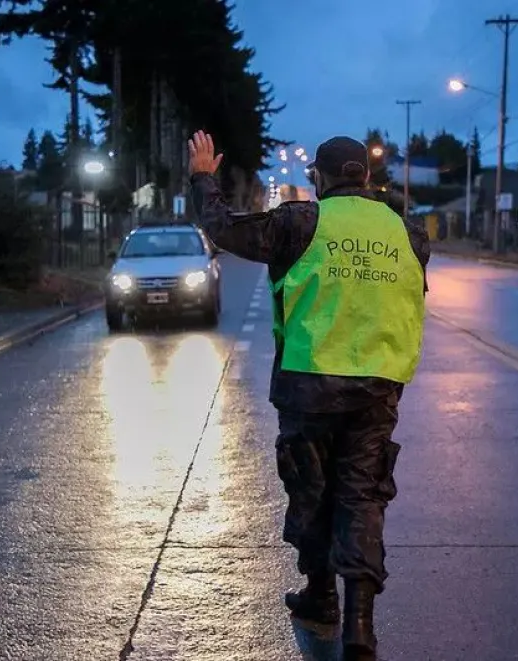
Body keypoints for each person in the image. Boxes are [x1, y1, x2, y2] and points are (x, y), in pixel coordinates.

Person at [187, 131, 429, 660]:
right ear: (366, 176)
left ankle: (321, 595)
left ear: (319, 178)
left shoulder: (299, 223)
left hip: (310, 381)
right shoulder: (408, 232)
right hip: (378, 387)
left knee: (311, 491)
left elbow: (223, 229)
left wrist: (204, 178)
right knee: (362, 496)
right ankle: (359, 626)